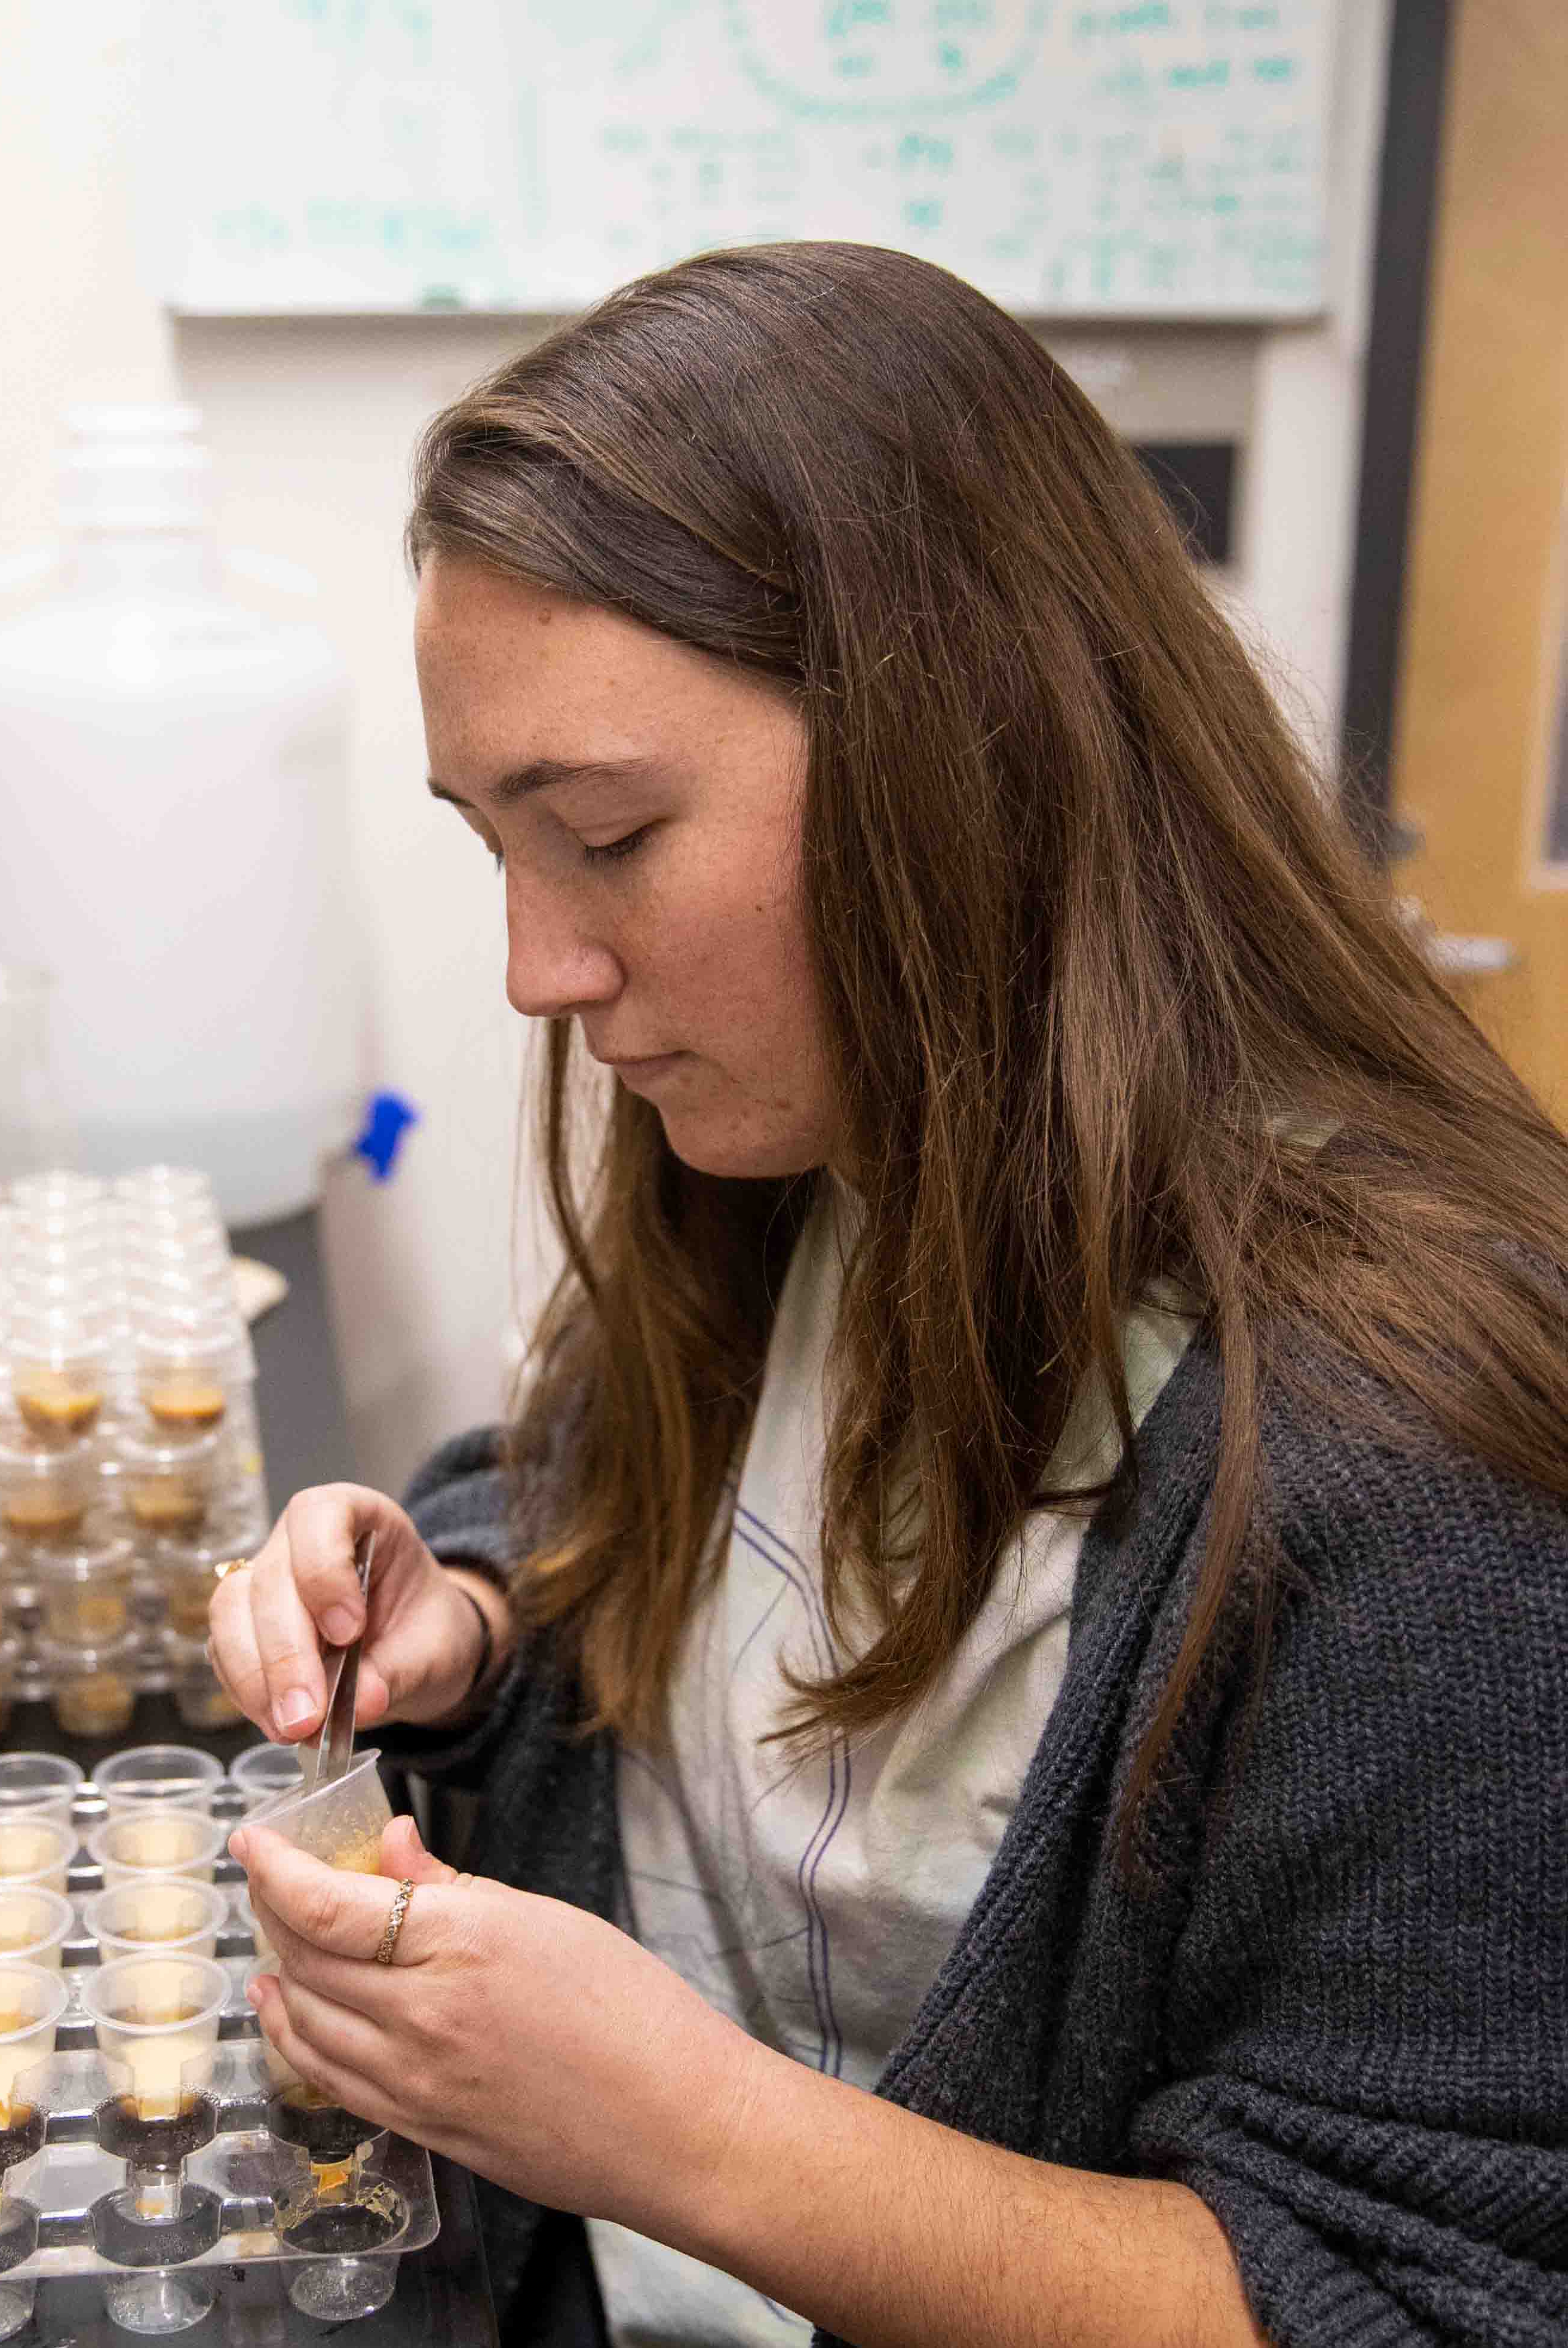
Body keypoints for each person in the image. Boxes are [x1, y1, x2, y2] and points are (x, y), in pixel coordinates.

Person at [208, 243, 1568, 2348]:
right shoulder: (795, 1148)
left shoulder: (1429, 1466)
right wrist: (470, 1605)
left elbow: (1403, 2302)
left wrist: (680, 2132)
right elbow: (609, 1477)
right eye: (496, 849)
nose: (537, 976)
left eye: (609, 836)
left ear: (973, 755)